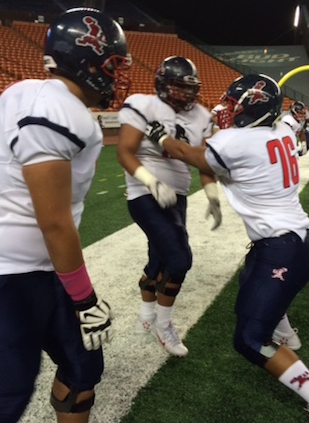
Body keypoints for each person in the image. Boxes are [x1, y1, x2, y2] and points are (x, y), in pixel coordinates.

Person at [0, 8, 131, 423]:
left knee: (83, 366)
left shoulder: (34, 95)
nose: (118, 75)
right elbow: (54, 221)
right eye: (114, 65)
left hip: (40, 271)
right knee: (3, 399)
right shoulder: (57, 111)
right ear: (87, 61)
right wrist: (85, 298)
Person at [144, 73, 309, 423]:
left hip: (282, 246)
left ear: (252, 106)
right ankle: (286, 332)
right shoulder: (283, 132)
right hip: (298, 241)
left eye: (233, 103)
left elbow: (193, 157)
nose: (227, 109)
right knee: (249, 282)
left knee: (248, 339)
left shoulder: (234, 141)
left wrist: (160, 135)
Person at [116, 55, 220, 357]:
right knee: (179, 259)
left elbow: (205, 161)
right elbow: (124, 152)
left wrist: (211, 194)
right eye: (179, 87)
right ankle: (164, 325)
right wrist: (151, 181)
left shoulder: (201, 115)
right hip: (144, 192)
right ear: (163, 84)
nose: (186, 94)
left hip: (179, 194)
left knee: (158, 260)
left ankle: (146, 316)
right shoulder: (142, 104)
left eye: (190, 88)